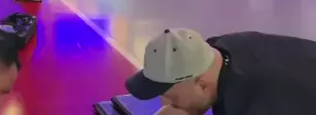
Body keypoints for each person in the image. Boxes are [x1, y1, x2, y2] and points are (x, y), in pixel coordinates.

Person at [125, 28, 316, 115]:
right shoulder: (220, 48)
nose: (165, 104)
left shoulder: (251, 105)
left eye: (173, 99)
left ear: (202, 86)